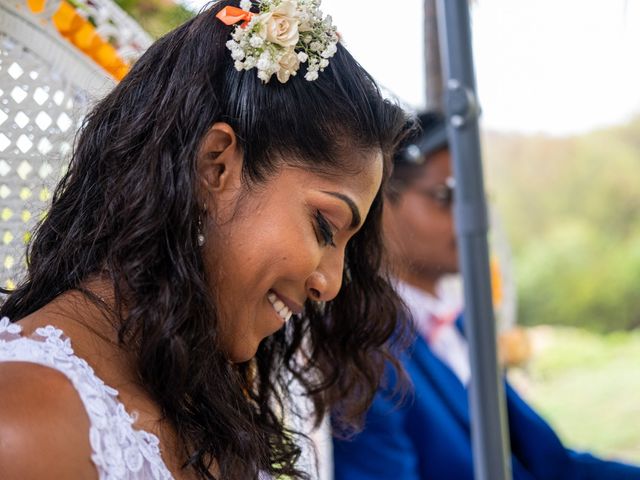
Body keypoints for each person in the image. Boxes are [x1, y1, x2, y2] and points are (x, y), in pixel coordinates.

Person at [0, 1, 412, 478]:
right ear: (215, 165)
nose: (331, 284)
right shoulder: (24, 426)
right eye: (324, 226)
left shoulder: (197, 404)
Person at [332, 111, 640, 480]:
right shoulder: (357, 346)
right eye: (447, 197)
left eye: (478, 197)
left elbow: (553, 464)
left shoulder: (463, 325)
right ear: (381, 203)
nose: (472, 216)